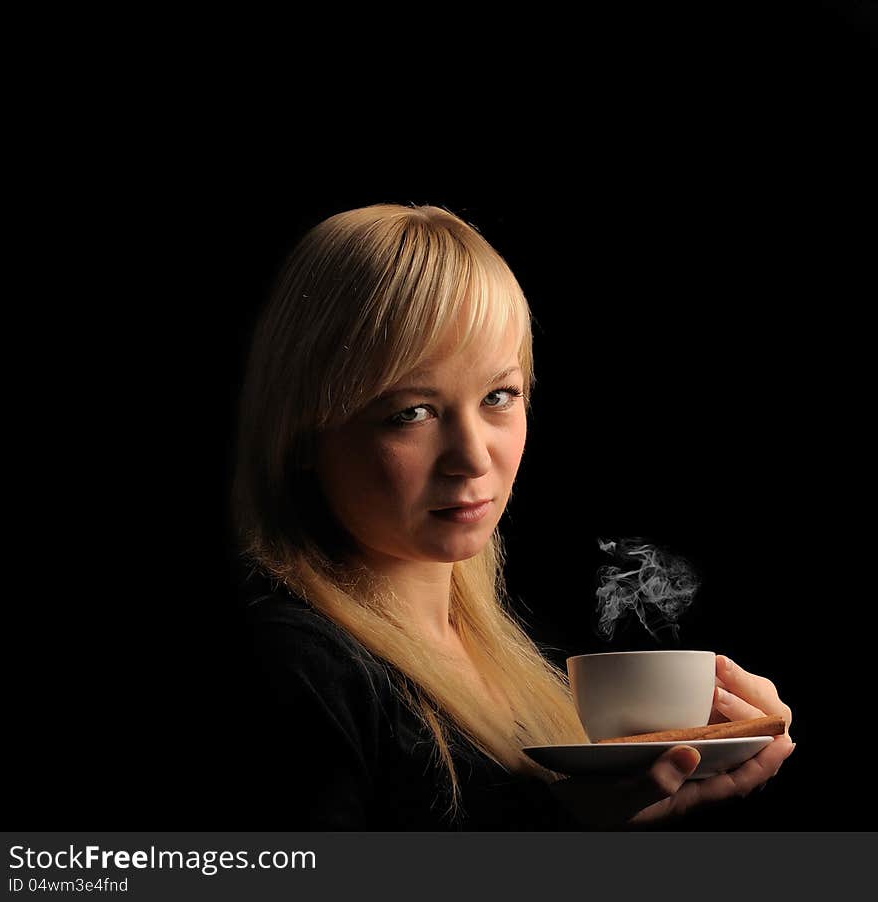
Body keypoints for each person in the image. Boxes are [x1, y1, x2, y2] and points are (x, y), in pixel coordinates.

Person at [229, 202, 795, 830]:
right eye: (412, 411)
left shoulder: (505, 657)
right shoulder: (294, 667)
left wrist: (703, 759)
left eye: (499, 396)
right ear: (304, 434)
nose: (473, 458)